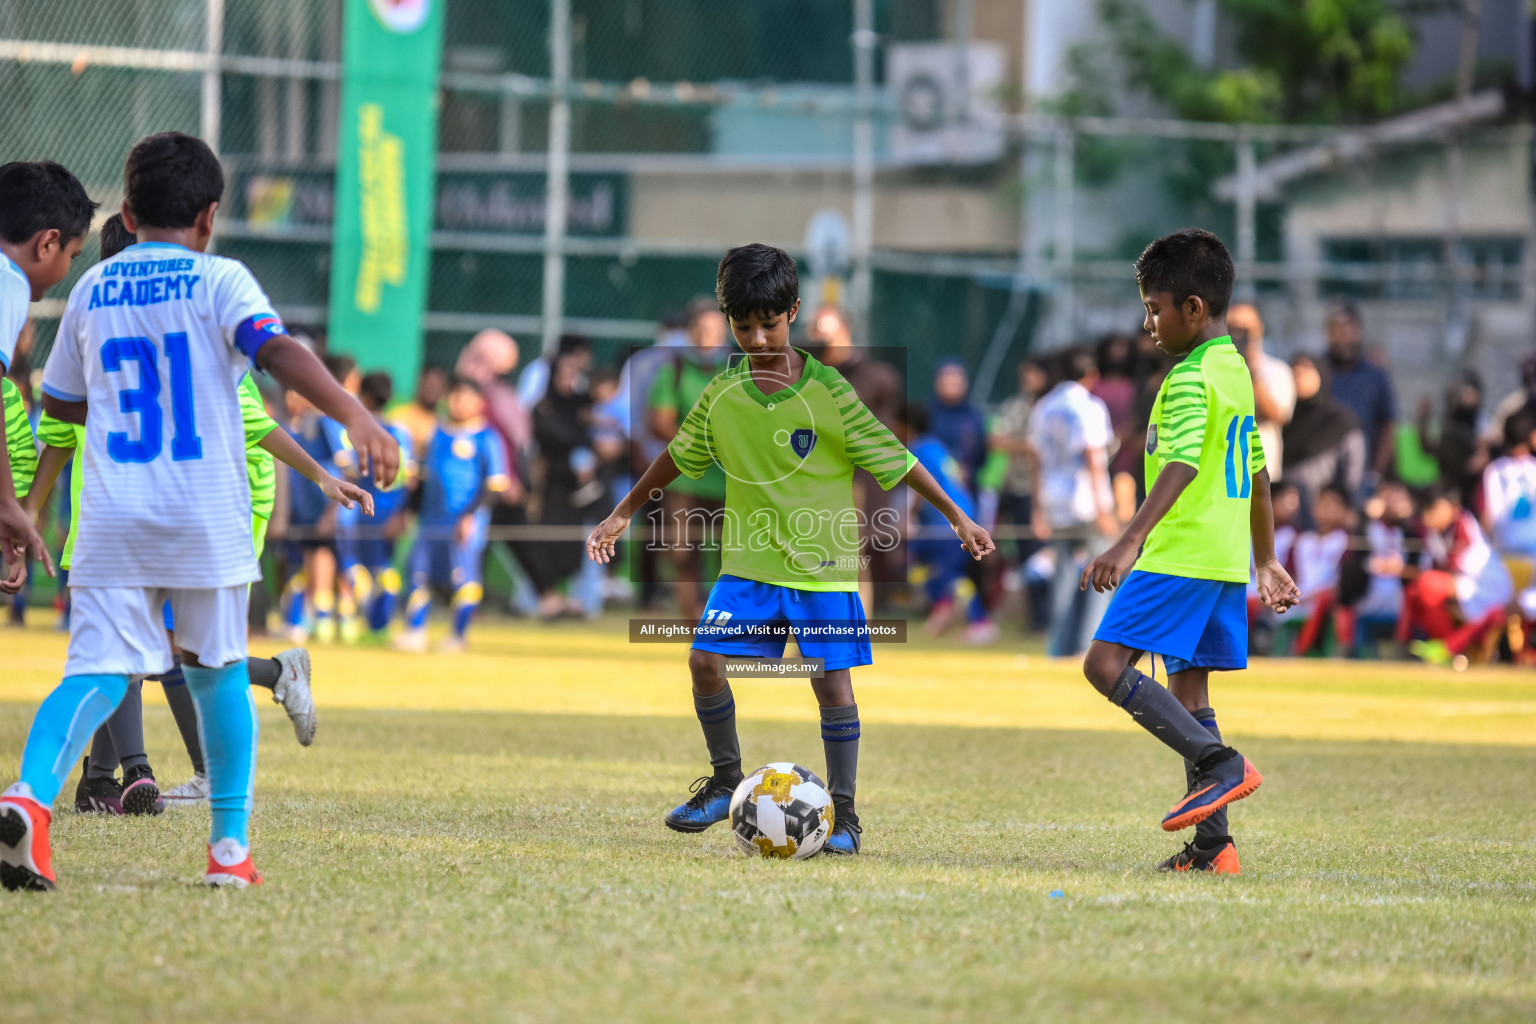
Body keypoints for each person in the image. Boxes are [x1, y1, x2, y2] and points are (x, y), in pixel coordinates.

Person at [0, 131, 398, 892]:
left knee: (96, 671)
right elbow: (276, 353)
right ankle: (227, 854)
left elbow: (60, 408)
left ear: (128, 209)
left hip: (113, 516)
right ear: (209, 217)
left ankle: (28, 799)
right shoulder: (222, 280)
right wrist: (357, 417)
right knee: (214, 674)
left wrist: (32, 504)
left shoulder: (89, 290)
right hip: (203, 512)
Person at [586, 243, 994, 857]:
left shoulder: (830, 390)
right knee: (703, 662)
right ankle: (726, 782)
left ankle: (847, 817)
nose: (754, 338)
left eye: (768, 324)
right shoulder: (722, 393)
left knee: (832, 685)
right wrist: (620, 513)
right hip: (748, 564)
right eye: (741, 325)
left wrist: (960, 517)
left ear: (794, 312)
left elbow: (897, 458)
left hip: (823, 568)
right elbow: (677, 454)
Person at [25, 213, 350, 811]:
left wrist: (324, 473)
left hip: (199, 506)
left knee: (161, 648)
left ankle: (134, 773)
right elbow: (60, 430)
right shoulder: (167, 299)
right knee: (142, 647)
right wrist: (26, 516)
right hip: (131, 509)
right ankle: (138, 790)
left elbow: (257, 420)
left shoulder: (128, 303)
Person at [1079, 228, 1299, 876]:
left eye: (1155, 307)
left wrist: (1129, 538)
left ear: (1193, 308)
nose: (1148, 322)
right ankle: (1214, 848)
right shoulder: (1235, 371)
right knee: (1189, 686)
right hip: (1225, 558)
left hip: (1182, 552)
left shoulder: (1188, 377)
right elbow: (1256, 471)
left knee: (1103, 663)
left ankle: (1218, 763)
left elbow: (1178, 463)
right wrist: (1265, 558)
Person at [0, 161, 87, 595]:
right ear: (48, 243)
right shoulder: (7, 280)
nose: (69, 269)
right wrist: (5, 502)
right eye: (72, 256)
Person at [397, 377, 510, 653]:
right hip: (430, 521)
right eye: (454, 396)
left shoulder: (488, 437)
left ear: (479, 403)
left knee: (465, 580)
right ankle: (415, 632)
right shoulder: (437, 433)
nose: (458, 402)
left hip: (465, 524)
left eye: (465, 397)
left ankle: (457, 636)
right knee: (418, 574)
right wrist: (406, 512)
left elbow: (495, 486)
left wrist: (470, 516)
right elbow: (423, 479)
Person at [1028, 348, 1118, 657]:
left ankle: (1057, 647)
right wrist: (1103, 508)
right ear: (1091, 374)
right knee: (1101, 574)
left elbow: (1036, 460)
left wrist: (1037, 508)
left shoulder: (1043, 407)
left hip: (1054, 500)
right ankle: (1087, 647)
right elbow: (1093, 456)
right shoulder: (1090, 406)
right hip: (1085, 500)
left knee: (1064, 575)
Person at [647, 300, 730, 622]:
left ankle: (725, 622)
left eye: (712, 328)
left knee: (731, 557)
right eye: (699, 328)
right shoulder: (674, 370)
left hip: (730, 482)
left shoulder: (740, 369)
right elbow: (661, 422)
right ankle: (692, 625)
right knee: (682, 555)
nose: (705, 335)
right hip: (684, 480)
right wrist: (706, 444)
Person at [900, 402, 996, 643]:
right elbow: (957, 476)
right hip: (959, 514)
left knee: (950, 575)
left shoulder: (918, 449)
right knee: (933, 570)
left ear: (904, 426)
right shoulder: (936, 446)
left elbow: (923, 487)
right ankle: (943, 611)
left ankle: (980, 622)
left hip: (948, 523)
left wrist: (908, 517)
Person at [336, 371, 415, 641]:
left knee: (356, 568)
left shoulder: (353, 434)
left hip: (358, 514)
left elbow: (346, 472)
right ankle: (380, 626)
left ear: (365, 398)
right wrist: (403, 513)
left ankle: (362, 625)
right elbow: (410, 479)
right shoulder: (401, 435)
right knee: (385, 568)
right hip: (390, 513)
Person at [1399, 484, 1513, 665]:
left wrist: (1401, 570)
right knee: (1413, 592)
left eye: (1435, 509)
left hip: (1485, 589)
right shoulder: (1435, 533)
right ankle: (1405, 647)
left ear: (1453, 507)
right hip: (1462, 586)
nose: (1430, 516)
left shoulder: (1463, 524)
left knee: (1427, 584)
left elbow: (1450, 568)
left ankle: (1449, 650)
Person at [989, 358, 1050, 630]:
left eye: (1033, 373)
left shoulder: (1053, 406)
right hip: (1019, 490)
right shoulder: (1018, 405)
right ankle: (1035, 620)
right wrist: (1027, 448)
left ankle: (1047, 618)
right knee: (1026, 556)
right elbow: (996, 439)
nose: (1028, 379)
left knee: (1046, 556)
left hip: (1051, 495)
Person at [1282, 353, 1366, 510]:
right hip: (1283, 512)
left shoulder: (1340, 421)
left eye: (1305, 370)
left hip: (1326, 512)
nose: (1297, 376)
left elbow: (1353, 475)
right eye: (1294, 370)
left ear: (1321, 375)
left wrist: (1344, 503)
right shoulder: (1280, 417)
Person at [1324, 304, 1396, 483]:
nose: (1345, 336)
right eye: (1339, 330)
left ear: (1359, 331)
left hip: (1362, 474)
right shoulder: (1318, 371)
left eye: (1350, 330)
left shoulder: (1375, 374)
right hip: (1322, 474)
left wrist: (1376, 472)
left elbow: (1388, 424)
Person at [1226, 303, 1295, 480]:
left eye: (1245, 328)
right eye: (1232, 327)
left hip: (1263, 475)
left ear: (1259, 329)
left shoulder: (1276, 370)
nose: (1238, 334)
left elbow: (1278, 416)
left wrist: (1252, 371)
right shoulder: (1215, 370)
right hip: (1224, 474)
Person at [1290, 484, 1354, 657]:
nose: (1326, 508)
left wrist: (1315, 594)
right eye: (1322, 503)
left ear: (1345, 511)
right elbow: (1290, 572)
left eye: (1333, 504)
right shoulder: (1302, 540)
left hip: (1329, 596)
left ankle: (1300, 650)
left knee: (1326, 601)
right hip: (1300, 595)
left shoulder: (1347, 540)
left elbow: (1346, 580)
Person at [928, 358, 987, 486]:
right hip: (931, 482)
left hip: (965, 485)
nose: (952, 382)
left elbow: (982, 454)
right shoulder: (927, 414)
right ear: (937, 382)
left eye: (956, 378)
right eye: (947, 377)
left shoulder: (974, 415)